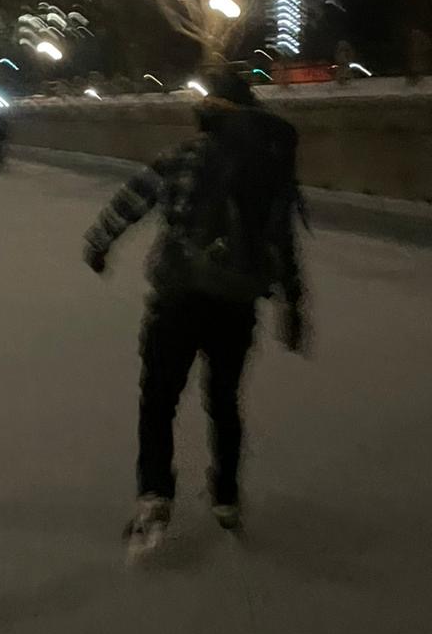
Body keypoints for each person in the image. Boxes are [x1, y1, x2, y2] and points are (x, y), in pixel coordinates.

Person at [82, 68, 307, 551]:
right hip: (236, 304)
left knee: (159, 400)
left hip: (178, 299)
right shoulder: (265, 171)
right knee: (223, 400)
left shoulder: (181, 156)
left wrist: (99, 244)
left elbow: (131, 199)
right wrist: (292, 302)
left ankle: (156, 493)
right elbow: (282, 242)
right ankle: (226, 496)